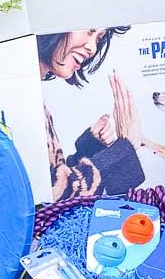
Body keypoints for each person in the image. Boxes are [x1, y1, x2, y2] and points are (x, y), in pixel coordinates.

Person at [38, 28, 147, 201]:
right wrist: (124, 149)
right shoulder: (16, 93)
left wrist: (90, 149)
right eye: (90, 31)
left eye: (98, 38)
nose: (92, 48)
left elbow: (50, 181)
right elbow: (50, 196)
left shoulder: (30, 93)